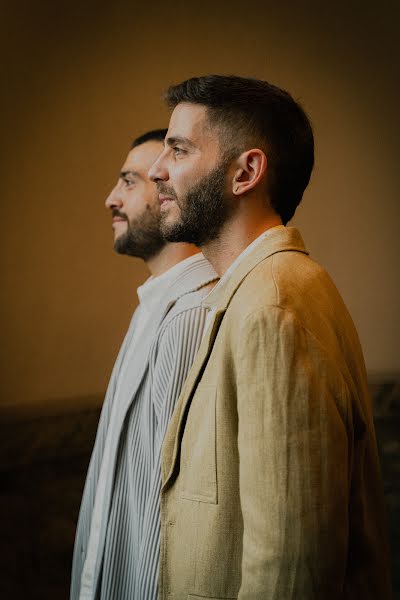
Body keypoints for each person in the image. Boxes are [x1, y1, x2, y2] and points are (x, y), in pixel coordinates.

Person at [148, 76, 393, 599]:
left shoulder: (273, 304)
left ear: (246, 172)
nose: (156, 171)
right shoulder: (249, 293)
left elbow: (290, 570)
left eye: (179, 149)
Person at [70, 129, 218, 600]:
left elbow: (171, 511)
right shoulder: (152, 307)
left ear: (168, 189)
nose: (111, 199)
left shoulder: (191, 316)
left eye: (129, 182)